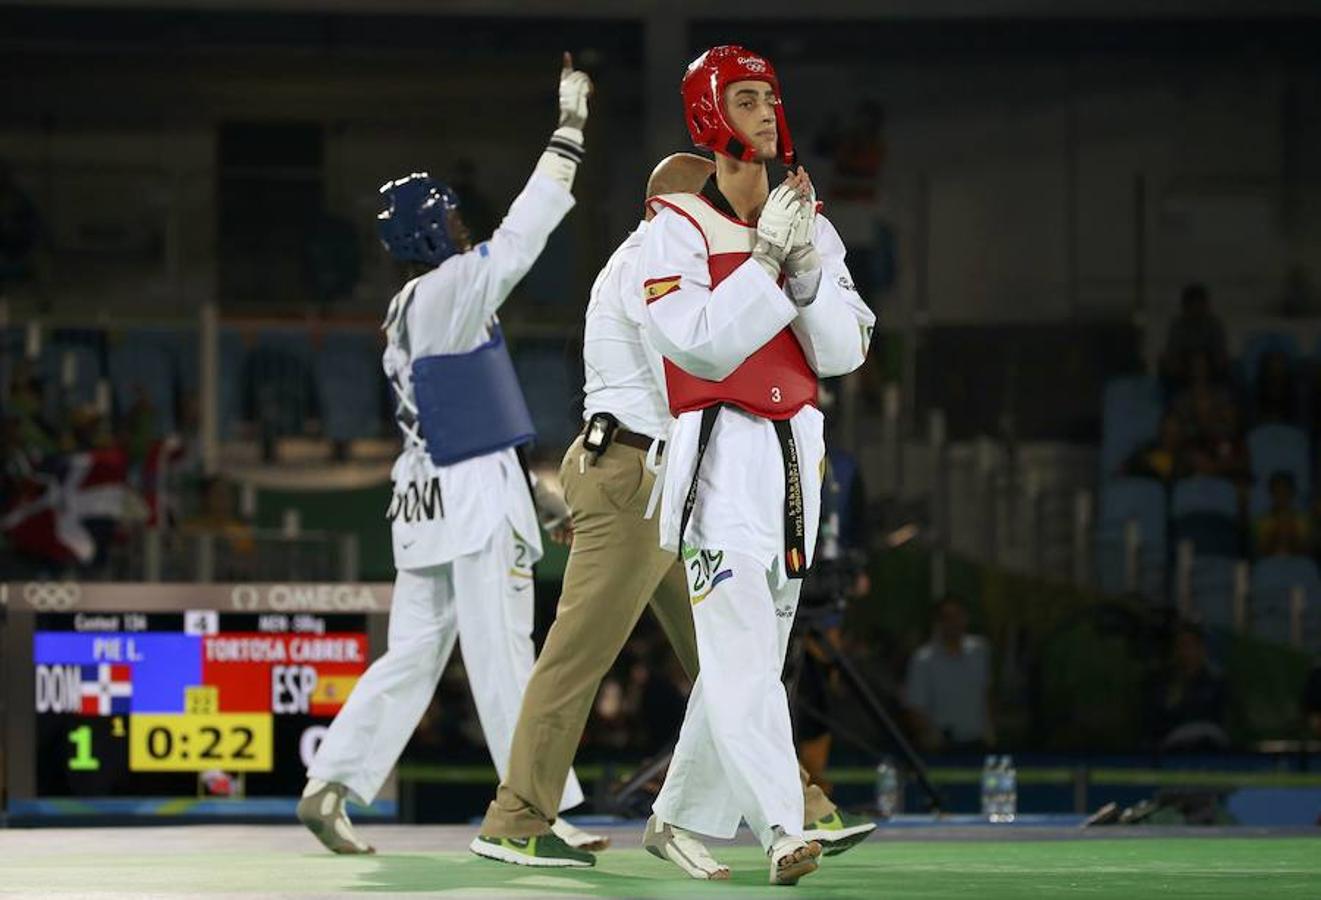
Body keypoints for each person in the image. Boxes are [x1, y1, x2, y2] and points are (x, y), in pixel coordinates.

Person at [473, 152, 872, 871]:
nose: (729, 214)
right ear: (677, 206)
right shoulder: (651, 260)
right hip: (638, 475)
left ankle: (801, 805)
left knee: (732, 652)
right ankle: (515, 817)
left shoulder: (656, 260)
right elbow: (705, 362)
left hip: (663, 475)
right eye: (713, 199)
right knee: (581, 655)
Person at [296, 54, 599, 855]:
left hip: (428, 498)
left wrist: (538, 496)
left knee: (413, 655)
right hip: (467, 504)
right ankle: (536, 809)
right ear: (434, 230)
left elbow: (476, 415)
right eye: (454, 219)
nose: (466, 229)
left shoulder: (410, 307)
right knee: (504, 654)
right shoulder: (452, 291)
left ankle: (330, 783)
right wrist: (567, 132)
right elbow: (527, 232)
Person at [641, 45, 875, 886]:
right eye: (745, 100)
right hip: (716, 456)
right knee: (740, 655)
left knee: (753, 655)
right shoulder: (672, 229)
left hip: (795, 459)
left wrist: (805, 265)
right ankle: (784, 825)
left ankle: (671, 817)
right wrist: (768, 265)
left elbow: (844, 353)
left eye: (770, 97)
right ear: (708, 116)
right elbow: (699, 345)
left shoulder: (811, 221)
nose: (767, 112)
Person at [904, 596, 994, 752]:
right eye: (947, 617)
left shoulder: (980, 650)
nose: (953, 622)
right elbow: (915, 707)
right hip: (940, 746)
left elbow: (986, 692)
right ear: (938, 622)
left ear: (966, 618)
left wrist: (990, 730)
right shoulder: (923, 659)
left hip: (978, 743)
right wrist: (928, 736)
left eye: (958, 616)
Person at [1147, 621, 1229, 752]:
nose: (1185, 652)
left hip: (1212, 748)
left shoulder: (1217, 682)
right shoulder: (1162, 682)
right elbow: (1154, 723)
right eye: (1180, 646)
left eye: (1190, 645)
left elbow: (1222, 721)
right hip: (1172, 749)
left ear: (1201, 648)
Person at [1160, 283, 1228, 386]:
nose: (1197, 310)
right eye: (1193, 306)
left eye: (1200, 306)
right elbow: (1173, 353)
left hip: (1210, 369)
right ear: (1186, 307)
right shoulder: (1177, 326)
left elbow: (1220, 353)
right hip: (1184, 371)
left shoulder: (1214, 325)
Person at [1253, 471, 1312, 558]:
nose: (1281, 494)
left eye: (1285, 490)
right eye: (1277, 490)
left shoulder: (1305, 520)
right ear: (1271, 492)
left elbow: (1309, 549)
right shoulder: (1260, 521)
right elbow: (1258, 550)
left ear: (1292, 492)